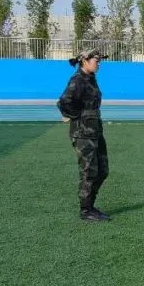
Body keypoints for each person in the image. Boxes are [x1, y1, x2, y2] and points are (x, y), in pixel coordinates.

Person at [57, 48, 110, 223]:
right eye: (96, 61)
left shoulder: (91, 78)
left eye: (99, 61)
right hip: (83, 134)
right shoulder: (78, 80)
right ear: (85, 61)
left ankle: (91, 205)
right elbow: (64, 101)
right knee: (89, 172)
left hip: (95, 132)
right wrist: (75, 116)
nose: (99, 64)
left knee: (102, 170)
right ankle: (86, 209)